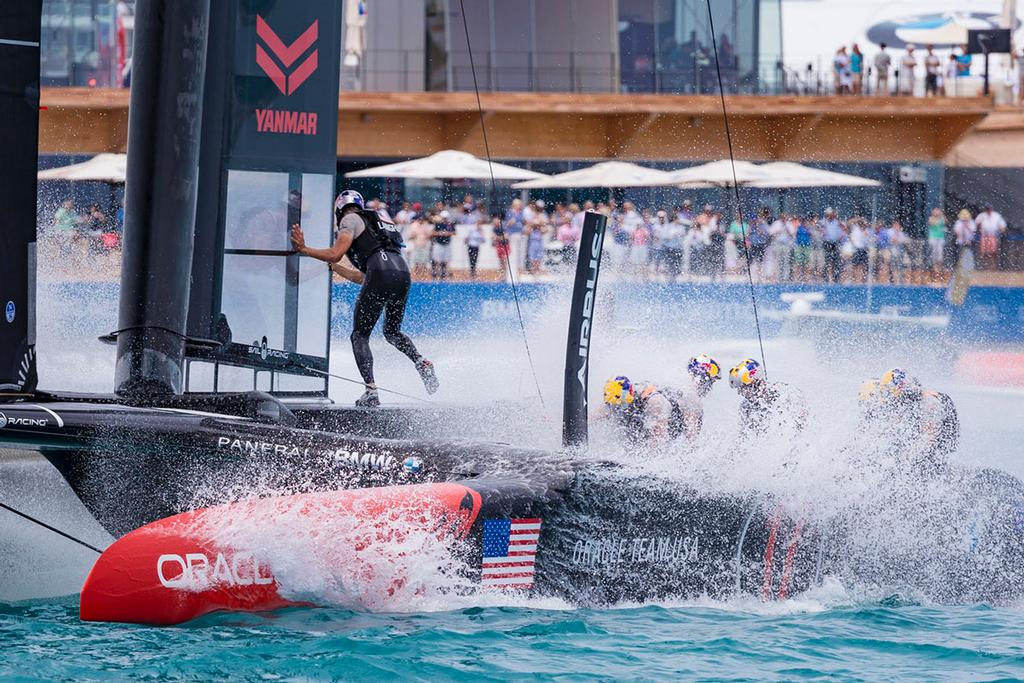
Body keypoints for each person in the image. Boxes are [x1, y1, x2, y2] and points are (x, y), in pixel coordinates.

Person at [290, 190, 438, 407]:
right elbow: (366, 278)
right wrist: (336, 268)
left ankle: (371, 390)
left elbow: (335, 253)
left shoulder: (350, 219)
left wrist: (304, 249)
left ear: (340, 209)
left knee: (359, 335)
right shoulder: (377, 223)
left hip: (380, 272)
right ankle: (421, 362)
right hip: (403, 273)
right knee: (392, 332)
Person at [875, 368, 959, 469]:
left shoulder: (930, 402)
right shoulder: (918, 401)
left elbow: (929, 439)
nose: (898, 403)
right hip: (933, 452)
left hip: (933, 457)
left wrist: (902, 459)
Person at [598, 376, 687, 447]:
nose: (617, 408)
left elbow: (660, 438)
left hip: (671, 427)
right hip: (645, 421)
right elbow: (597, 415)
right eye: (614, 405)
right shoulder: (615, 397)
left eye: (620, 404)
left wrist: (649, 460)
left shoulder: (654, 402)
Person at [728, 358, 806, 433]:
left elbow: (805, 420)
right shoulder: (745, 407)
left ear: (755, 382)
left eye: (742, 388)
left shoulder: (785, 393)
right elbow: (744, 434)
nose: (740, 393)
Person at [975, 205, 1007, 270]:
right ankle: (984, 267)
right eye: (987, 209)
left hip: (993, 236)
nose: (988, 210)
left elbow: (1002, 226)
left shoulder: (996, 215)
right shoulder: (982, 215)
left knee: (993, 252)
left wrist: (1001, 232)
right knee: (984, 252)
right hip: (984, 236)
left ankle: (992, 266)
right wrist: (978, 229)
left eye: (989, 209)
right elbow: (976, 223)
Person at [430, 210, 456, 280]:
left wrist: (447, 233)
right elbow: (433, 232)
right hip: (439, 243)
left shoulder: (450, 224)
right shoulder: (438, 224)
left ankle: (443, 273)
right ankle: (435, 272)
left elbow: (454, 232)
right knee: (436, 259)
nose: (445, 219)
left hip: (446, 244)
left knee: (445, 260)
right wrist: (440, 233)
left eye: (446, 218)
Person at [926, 208, 946, 277]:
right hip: (933, 237)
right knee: (934, 253)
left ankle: (939, 269)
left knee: (940, 254)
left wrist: (940, 215)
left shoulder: (942, 218)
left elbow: (945, 222)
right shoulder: (931, 218)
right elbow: (931, 223)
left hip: (940, 238)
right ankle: (935, 269)